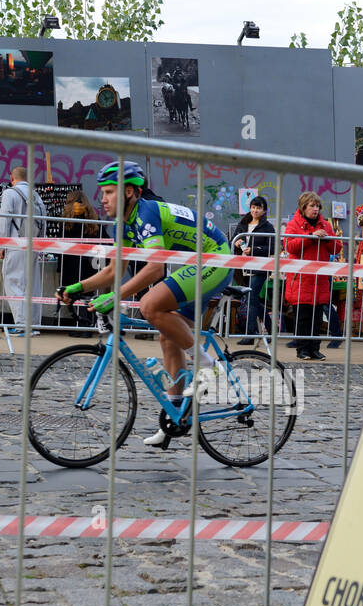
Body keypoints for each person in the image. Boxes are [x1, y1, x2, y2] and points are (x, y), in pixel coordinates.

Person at [57, 161, 233, 447]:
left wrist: (116, 296)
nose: (102, 198)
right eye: (102, 192)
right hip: (193, 263)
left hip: (216, 258)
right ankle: (174, 418)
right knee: (168, 338)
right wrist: (78, 287)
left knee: (150, 305)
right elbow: (115, 271)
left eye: (110, 192)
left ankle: (210, 367)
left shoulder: (147, 210)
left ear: (129, 192)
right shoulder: (122, 225)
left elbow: (154, 268)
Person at [284, 191, 339, 361]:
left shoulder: (326, 225)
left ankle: (315, 349)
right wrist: (310, 237)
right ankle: (302, 349)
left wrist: (327, 238)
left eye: (317, 206)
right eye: (311, 206)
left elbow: (336, 248)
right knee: (302, 317)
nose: (315, 209)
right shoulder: (294, 224)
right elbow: (290, 247)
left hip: (319, 278)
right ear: (303, 207)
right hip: (301, 278)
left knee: (316, 318)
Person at [0, 165, 46, 336]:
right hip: (34, 243)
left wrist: (1, 244)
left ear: (12, 178)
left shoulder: (10, 193)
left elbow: (5, 220)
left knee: (14, 282)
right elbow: (44, 220)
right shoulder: (36, 195)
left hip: (16, 243)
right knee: (32, 285)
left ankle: (21, 325)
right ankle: (34, 325)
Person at [230, 195, 276, 345]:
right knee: (253, 299)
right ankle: (271, 328)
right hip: (243, 268)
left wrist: (254, 249)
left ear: (264, 210)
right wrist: (236, 243)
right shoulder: (243, 223)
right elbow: (233, 239)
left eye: (259, 208)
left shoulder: (268, 226)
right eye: (253, 207)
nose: (255, 210)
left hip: (259, 268)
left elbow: (273, 247)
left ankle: (250, 334)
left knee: (250, 299)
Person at [59, 188, 100, 335]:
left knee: (74, 294)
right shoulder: (93, 217)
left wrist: (60, 266)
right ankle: (88, 325)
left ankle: (78, 325)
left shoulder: (66, 219)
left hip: (71, 263)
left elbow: (60, 242)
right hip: (90, 262)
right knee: (88, 294)